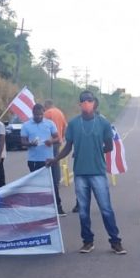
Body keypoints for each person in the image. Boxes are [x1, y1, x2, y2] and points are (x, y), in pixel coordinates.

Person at [48, 91, 126, 254]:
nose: (86, 103)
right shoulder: (74, 124)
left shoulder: (104, 124)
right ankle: (88, 241)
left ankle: (115, 241)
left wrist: (96, 151)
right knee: (83, 210)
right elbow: (68, 146)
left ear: (94, 103)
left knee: (106, 208)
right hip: (80, 173)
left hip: (97, 172)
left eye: (89, 101)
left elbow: (109, 146)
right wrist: (54, 159)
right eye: (83, 101)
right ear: (80, 105)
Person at [21, 103, 60, 187]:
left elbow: (57, 138)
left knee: (51, 184)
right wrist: (30, 144)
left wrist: (51, 141)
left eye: (40, 114)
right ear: (33, 113)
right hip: (34, 160)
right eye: (36, 114)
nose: (38, 116)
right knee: (37, 185)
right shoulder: (26, 125)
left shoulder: (50, 123)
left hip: (48, 160)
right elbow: (23, 142)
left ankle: (56, 200)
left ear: (43, 113)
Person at [41, 99, 68, 215]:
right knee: (56, 161)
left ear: (46, 106)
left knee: (49, 161)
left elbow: (43, 126)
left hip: (50, 141)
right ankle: (56, 179)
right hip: (58, 140)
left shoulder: (48, 113)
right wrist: (62, 137)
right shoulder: (60, 112)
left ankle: (51, 181)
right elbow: (65, 126)